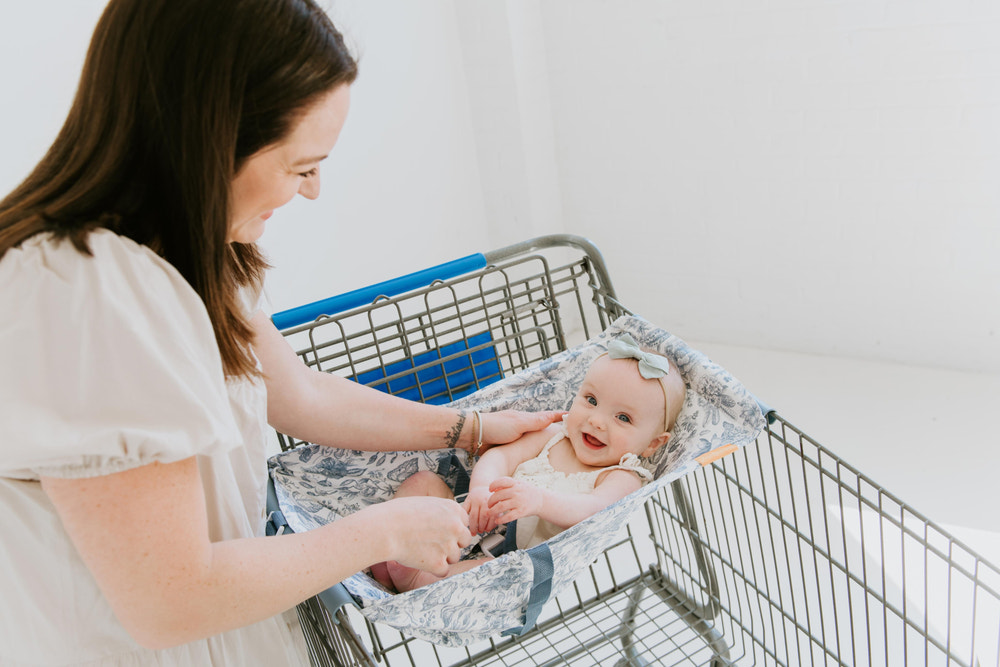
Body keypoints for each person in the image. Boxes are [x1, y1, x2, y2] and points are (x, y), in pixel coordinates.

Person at [0, 1, 562, 664]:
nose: (315, 189)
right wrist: (383, 531)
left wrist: (467, 427)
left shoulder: (185, 252)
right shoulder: (86, 294)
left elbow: (297, 393)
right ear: (214, 138)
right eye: (302, 166)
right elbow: (168, 598)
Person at [372, 334, 687, 593]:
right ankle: (392, 540)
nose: (596, 421)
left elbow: (592, 510)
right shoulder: (554, 434)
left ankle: (416, 579)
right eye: (591, 400)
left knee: (493, 575)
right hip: (476, 511)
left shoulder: (622, 477)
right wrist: (480, 489)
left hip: (512, 551)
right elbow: (501, 456)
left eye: (623, 418)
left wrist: (539, 500)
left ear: (652, 444)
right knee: (424, 482)